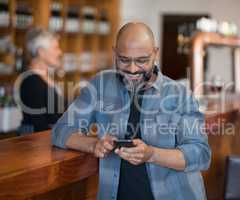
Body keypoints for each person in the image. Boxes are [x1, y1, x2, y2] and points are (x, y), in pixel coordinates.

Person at [52, 22, 211, 200]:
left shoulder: (179, 94)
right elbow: (61, 130)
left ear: (155, 53)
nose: (132, 69)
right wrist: (93, 145)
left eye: (142, 61)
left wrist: (152, 154)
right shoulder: (100, 85)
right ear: (114, 52)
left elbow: (200, 154)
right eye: (124, 60)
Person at [16, 27, 65, 134]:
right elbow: (39, 125)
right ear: (41, 52)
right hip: (35, 144)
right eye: (56, 48)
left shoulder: (46, 78)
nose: (60, 52)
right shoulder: (31, 81)